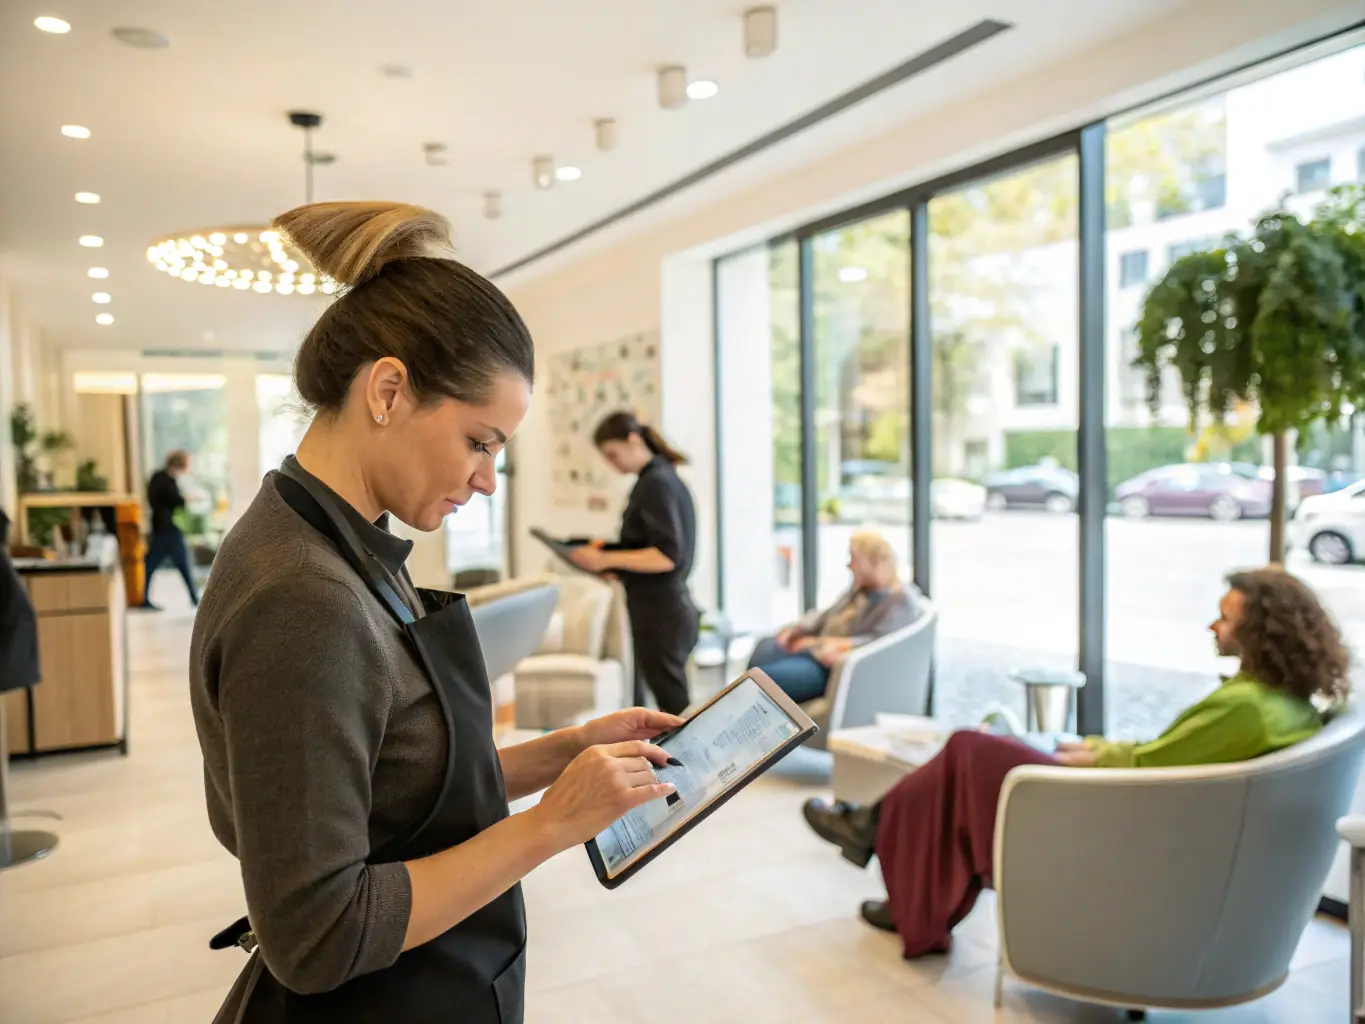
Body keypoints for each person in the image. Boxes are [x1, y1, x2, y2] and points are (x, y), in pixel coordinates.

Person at [190, 202, 683, 1024]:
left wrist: (562, 753)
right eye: (479, 442)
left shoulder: (332, 540)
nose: (487, 479)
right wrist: (550, 826)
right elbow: (318, 936)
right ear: (387, 391)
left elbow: (394, 786)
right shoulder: (303, 598)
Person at [801, 568, 1347, 959]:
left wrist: (1092, 755)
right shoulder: (1285, 704)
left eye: (1225, 619)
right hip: (1142, 812)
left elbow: (1153, 766)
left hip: (1113, 818)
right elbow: (1172, 760)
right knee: (960, 768)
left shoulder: (1246, 708)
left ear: (1262, 633)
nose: (1212, 628)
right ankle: (876, 840)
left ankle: (873, 832)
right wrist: (1095, 750)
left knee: (968, 749)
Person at [566, 411, 699, 716]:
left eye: (613, 454)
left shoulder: (656, 483)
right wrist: (612, 560)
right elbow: (646, 547)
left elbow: (666, 556)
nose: (612, 464)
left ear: (633, 440)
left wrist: (605, 558)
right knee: (664, 704)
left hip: (662, 612)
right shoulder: (658, 479)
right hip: (661, 608)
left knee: (674, 709)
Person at [746, 530, 922, 703]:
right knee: (765, 648)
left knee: (761, 680)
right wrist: (799, 629)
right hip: (817, 652)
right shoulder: (860, 589)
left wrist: (814, 644)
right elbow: (828, 614)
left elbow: (875, 644)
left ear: (872, 563)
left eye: (854, 559)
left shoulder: (901, 601)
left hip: (832, 667)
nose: (849, 565)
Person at [141, 450, 199, 609]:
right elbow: (174, 500)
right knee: (179, 562)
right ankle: (194, 598)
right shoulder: (166, 480)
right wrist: (186, 499)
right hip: (167, 527)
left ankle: (194, 597)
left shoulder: (158, 477)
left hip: (161, 526)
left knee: (153, 563)